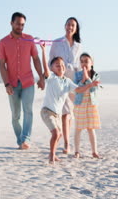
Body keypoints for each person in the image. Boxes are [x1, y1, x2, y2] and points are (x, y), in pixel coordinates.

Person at [40, 44, 100, 163]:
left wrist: (90, 85)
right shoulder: (51, 78)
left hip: (57, 114)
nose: (60, 67)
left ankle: (53, 154)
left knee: (59, 135)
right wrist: (43, 50)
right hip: (47, 111)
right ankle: (51, 155)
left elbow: (78, 90)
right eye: (57, 65)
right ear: (52, 68)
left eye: (62, 65)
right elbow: (45, 69)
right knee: (56, 133)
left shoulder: (67, 81)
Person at [0, 12, 45, 150]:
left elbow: (36, 59)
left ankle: (26, 140)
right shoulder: (3, 42)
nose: (20, 26)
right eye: (18, 23)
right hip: (12, 83)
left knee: (28, 111)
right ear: (11, 23)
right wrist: (6, 83)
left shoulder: (29, 40)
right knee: (15, 115)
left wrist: (41, 77)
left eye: (23, 24)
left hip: (28, 82)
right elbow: (1, 64)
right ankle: (20, 140)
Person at [49, 17, 83, 154]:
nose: (70, 27)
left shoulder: (79, 46)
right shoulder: (57, 42)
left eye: (73, 25)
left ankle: (65, 141)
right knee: (65, 112)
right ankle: (67, 144)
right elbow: (50, 61)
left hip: (74, 81)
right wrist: (54, 76)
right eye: (68, 24)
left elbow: (81, 65)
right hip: (61, 80)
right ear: (65, 26)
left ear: (76, 28)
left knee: (69, 113)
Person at [73, 53, 102, 159]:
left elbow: (94, 89)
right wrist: (84, 80)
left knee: (91, 128)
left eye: (86, 61)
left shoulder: (96, 75)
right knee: (78, 128)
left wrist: (87, 79)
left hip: (91, 103)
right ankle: (76, 151)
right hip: (80, 103)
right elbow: (77, 89)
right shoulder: (77, 75)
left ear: (92, 62)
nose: (84, 63)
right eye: (82, 61)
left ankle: (94, 152)